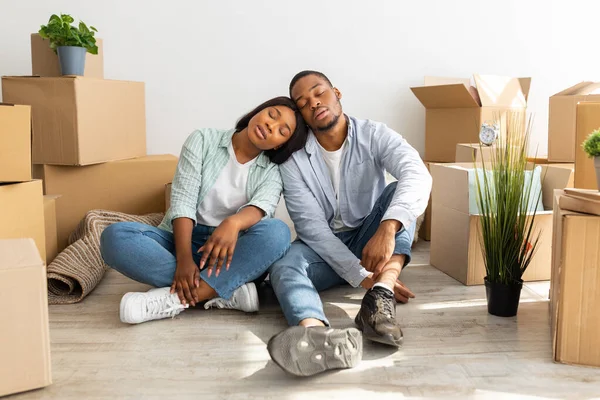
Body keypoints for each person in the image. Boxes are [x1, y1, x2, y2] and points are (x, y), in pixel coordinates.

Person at [266, 71, 432, 377]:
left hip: (370, 238)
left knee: (399, 197)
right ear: (301, 114)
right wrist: (360, 275)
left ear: (336, 93)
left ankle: (379, 298)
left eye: (319, 93)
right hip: (324, 246)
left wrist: (387, 228)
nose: (314, 103)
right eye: (303, 103)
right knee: (285, 266)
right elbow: (311, 227)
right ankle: (316, 336)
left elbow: (417, 172)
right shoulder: (293, 159)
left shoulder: (373, 134)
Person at [100, 96, 308, 325]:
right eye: (272, 115)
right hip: (182, 240)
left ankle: (180, 298)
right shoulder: (203, 140)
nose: (271, 126)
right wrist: (184, 259)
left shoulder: (273, 170)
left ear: (280, 145)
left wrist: (232, 223)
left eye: (282, 130)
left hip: (231, 253)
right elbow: (182, 201)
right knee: (115, 237)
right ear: (259, 111)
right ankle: (224, 291)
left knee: (278, 232)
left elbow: (262, 208)